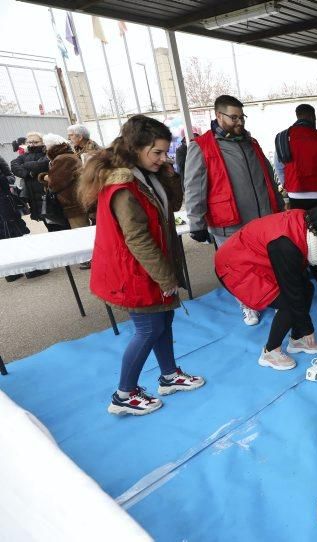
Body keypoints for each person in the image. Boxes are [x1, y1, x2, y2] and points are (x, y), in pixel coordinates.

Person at [79, 115, 205, 416]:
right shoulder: (123, 185)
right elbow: (136, 238)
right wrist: (165, 277)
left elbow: (171, 207)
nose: (164, 158)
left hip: (151, 267)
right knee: (148, 329)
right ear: (136, 147)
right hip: (136, 271)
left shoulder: (145, 174)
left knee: (164, 323)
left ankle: (169, 375)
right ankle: (124, 394)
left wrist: (169, 172)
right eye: (158, 152)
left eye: (166, 152)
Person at [184, 94, 284, 326]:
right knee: (238, 268)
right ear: (219, 116)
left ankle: (276, 300)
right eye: (234, 117)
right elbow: (194, 188)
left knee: (269, 261)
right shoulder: (201, 147)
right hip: (228, 221)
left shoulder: (251, 143)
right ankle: (248, 305)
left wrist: (278, 206)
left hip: (262, 219)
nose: (240, 122)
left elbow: (268, 177)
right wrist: (196, 223)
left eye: (242, 117)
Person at [214, 205, 317, 370]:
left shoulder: (311, 227)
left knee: (307, 288)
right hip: (237, 265)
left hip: (258, 257)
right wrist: (308, 328)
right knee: (287, 303)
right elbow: (292, 292)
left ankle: (297, 338)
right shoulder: (286, 244)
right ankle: (270, 351)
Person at [274, 103, 317, 210]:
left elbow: (279, 167)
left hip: (294, 193)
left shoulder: (282, 137)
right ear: (312, 117)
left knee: (301, 225)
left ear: (297, 116)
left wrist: (287, 185)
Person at [39, 134, 90, 229]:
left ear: (51, 146)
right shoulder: (67, 156)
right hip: (75, 201)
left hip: (72, 203)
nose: (44, 149)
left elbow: (56, 182)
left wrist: (44, 177)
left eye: (45, 146)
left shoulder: (63, 158)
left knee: (80, 231)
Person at [11, 132, 53, 229]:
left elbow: (42, 164)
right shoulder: (23, 156)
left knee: (58, 224)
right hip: (33, 195)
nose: (32, 144)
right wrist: (28, 174)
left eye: (35, 142)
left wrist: (25, 165)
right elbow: (14, 165)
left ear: (42, 142)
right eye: (29, 142)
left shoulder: (47, 153)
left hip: (47, 192)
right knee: (48, 226)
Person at [1, 155, 30, 282]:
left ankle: (30, 268)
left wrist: (3, 180)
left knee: (16, 230)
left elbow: (10, 176)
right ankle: (11, 272)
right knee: (3, 235)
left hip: (4, 200)